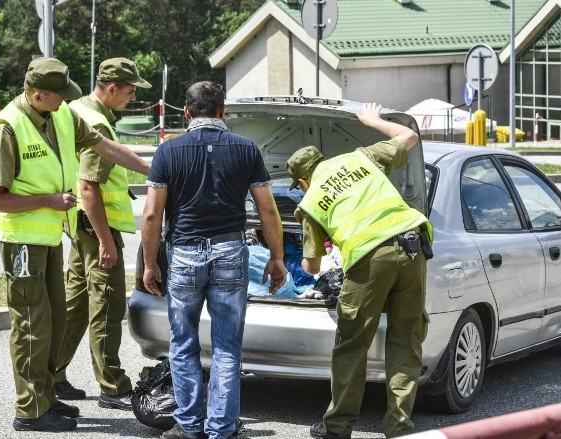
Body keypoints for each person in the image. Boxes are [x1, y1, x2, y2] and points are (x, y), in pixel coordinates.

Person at [0, 57, 150, 432]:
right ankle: (30, 409)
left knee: (56, 319)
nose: (65, 102)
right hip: (21, 242)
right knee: (30, 323)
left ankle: (47, 397)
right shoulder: (7, 128)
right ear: (37, 93)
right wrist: (48, 201)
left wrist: (159, 171)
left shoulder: (60, 115)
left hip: (48, 236)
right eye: (59, 96)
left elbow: (105, 146)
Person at [141, 80, 287, 439]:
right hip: (230, 251)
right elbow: (267, 209)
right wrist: (277, 258)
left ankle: (189, 425)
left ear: (186, 113)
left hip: (185, 253)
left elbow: (151, 215)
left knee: (183, 341)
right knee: (226, 345)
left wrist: (149, 264)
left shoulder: (168, 152)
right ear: (223, 111)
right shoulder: (246, 149)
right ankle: (222, 429)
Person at [285, 102, 433, 439]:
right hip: (413, 247)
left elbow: (311, 266)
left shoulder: (309, 202)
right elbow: (409, 135)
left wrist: (313, 251)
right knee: (406, 341)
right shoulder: (360, 158)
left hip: (369, 260)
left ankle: (337, 428)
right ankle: (398, 428)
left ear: (303, 179)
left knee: (352, 345)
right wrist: (373, 121)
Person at [53, 58, 152, 410]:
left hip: (79, 224)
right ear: (111, 89)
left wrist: (152, 167)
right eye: (129, 91)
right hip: (97, 228)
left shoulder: (79, 108)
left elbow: (116, 157)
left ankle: (53, 376)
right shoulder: (97, 122)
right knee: (107, 306)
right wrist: (107, 243)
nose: (132, 98)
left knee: (75, 306)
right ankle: (113, 386)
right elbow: (89, 187)